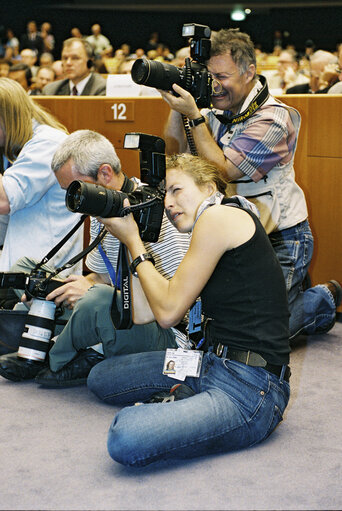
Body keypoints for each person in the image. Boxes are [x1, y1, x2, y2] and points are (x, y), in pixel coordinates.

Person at [87, 153, 291, 468]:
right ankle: (187, 399)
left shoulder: (219, 217)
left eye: (176, 190)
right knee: (102, 377)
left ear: (210, 188)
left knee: (126, 435)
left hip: (250, 387)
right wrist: (132, 240)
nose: (167, 203)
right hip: (205, 363)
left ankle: (186, 405)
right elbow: (144, 313)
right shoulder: (204, 232)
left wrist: (135, 243)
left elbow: (168, 313)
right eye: (164, 193)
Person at [160, 28, 341, 341]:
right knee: (218, 323)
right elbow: (174, 156)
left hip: (280, 239)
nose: (214, 85)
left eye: (222, 76)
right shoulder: (212, 111)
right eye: (208, 76)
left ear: (249, 72)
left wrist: (196, 117)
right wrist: (179, 110)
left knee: (260, 335)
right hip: (230, 236)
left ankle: (320, 300)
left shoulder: (275, 118)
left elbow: (225, 171)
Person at [0, 130, 191, 385]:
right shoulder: (102, 206)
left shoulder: (155, 213)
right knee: (28, 271)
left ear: (104, 174)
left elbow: (176, 300)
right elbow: (101, 274)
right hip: (120, 306)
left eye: (75, 189)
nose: (73, 201)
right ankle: (76, 343)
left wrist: (92, 289)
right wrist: (71, 286)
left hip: (163, 331)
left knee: (97, 299)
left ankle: (50, 357)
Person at [0, 78, 83, 278]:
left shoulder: (48, 143)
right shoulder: (20, 148)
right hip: (25, 269)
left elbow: (4, 201)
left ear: (7, 117)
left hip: (45, 274)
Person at [42, 38, 106, 96]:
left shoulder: (103, 88)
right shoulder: (51, 90)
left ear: (90, 62)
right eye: (65, 58)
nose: (68, 63)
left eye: (75, 58)